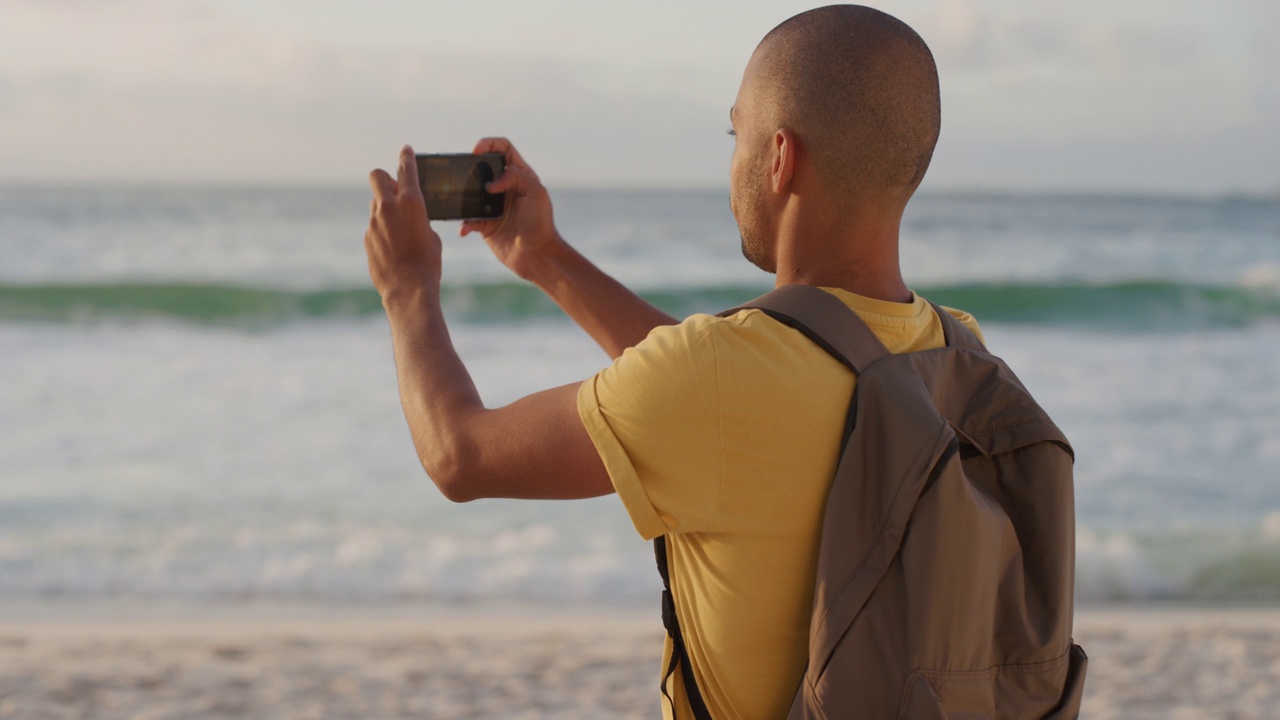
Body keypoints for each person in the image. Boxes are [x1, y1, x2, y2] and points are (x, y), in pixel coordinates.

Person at [364, 6, 987, 718]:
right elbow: (712, 394)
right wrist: (545, 257)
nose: (734, 162)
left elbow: (457, 455)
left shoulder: (719, 382)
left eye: (737, 135)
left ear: (780, 157)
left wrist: (407, 287)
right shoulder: (958, 351)